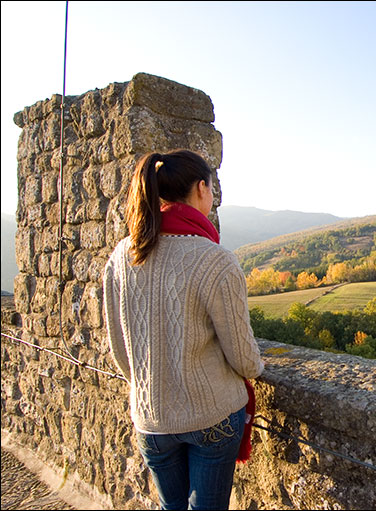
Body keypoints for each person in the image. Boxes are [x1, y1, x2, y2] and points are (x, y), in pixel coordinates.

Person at [103, 149, 264, 510]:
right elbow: (245, 359)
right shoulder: (214, 259)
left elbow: (119, 348)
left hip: (150, 416)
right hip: (211, 415)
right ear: (202, 189)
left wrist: (153, 390)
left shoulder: (123, 255)